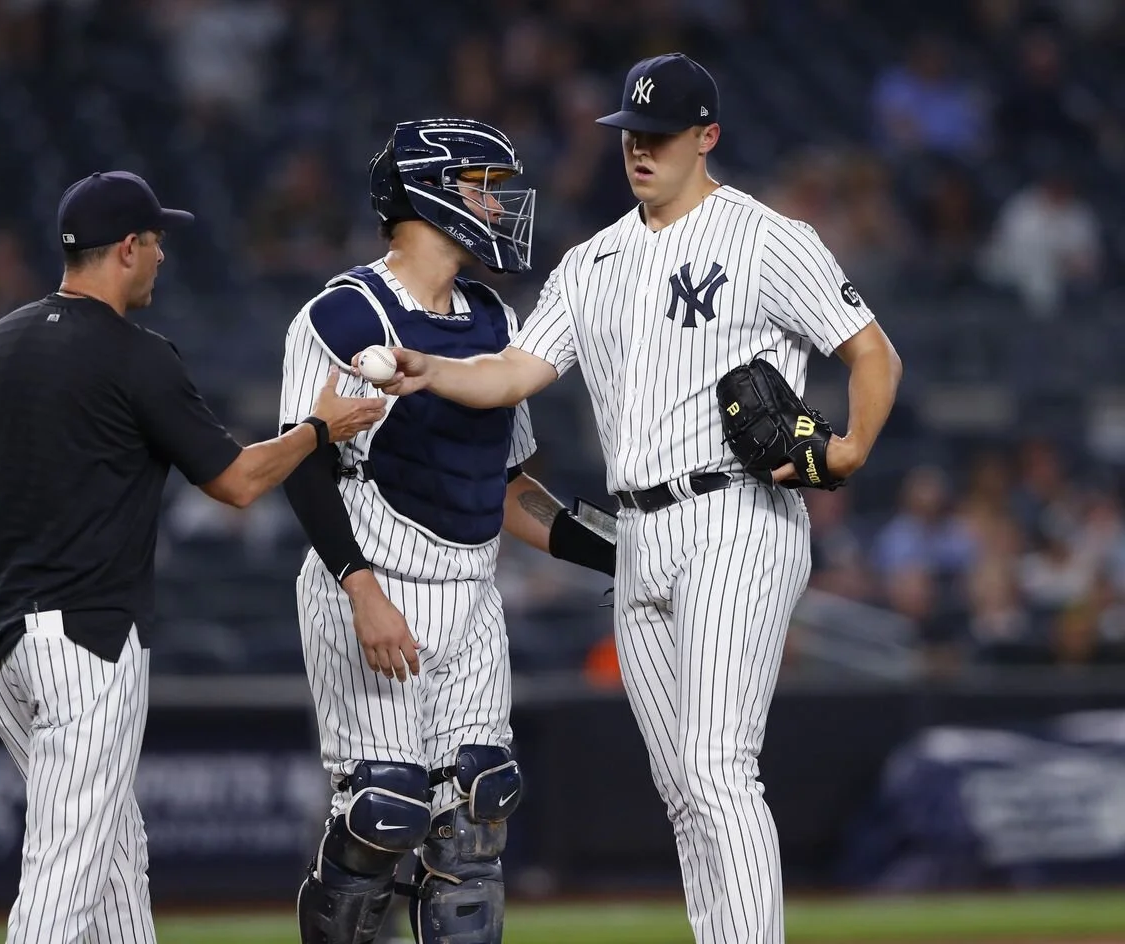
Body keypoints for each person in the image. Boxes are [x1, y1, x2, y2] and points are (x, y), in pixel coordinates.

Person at [364, 56, 904, 944]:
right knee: (684, 787)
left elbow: (872, 352)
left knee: (716, 763)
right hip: (639, 535)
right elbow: (513, 373)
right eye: (630, 134)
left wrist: (847, 448)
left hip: (738, 517)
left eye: (659, 134)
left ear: (708, 137)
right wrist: (433, 370)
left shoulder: (769, 238)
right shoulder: (595, 260)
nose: (640, 149)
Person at [0, 170, 385, 944]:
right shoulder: (134, 355)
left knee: (112, 854)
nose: (164, 257)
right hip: (86, 645)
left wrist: (27, 559)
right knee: (64, 870)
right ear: (129, 249)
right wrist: (318, 430)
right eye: (157, 242)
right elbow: (238, 482)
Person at [279, 119, 615, 944]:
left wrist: (618, 550)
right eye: (482, 185)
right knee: (385, 806)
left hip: (471, 591)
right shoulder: (343, 312)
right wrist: (361, 591)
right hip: (371, 575)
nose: (498, 204)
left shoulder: (494, 321)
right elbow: (299, 464)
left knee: (477, 808)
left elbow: (507, 488)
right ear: (429, 194)